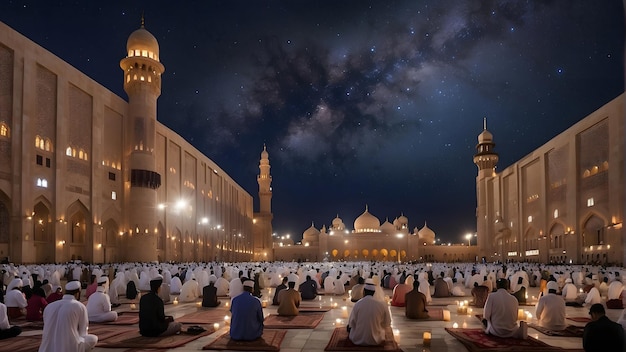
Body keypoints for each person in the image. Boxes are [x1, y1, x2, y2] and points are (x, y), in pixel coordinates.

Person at [39, 280, 98, 352]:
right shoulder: (79, 306)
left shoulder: (49, 306)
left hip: (46, 348)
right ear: (77, 293)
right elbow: (83, 332)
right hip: (69, 348)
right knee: (93, 339)